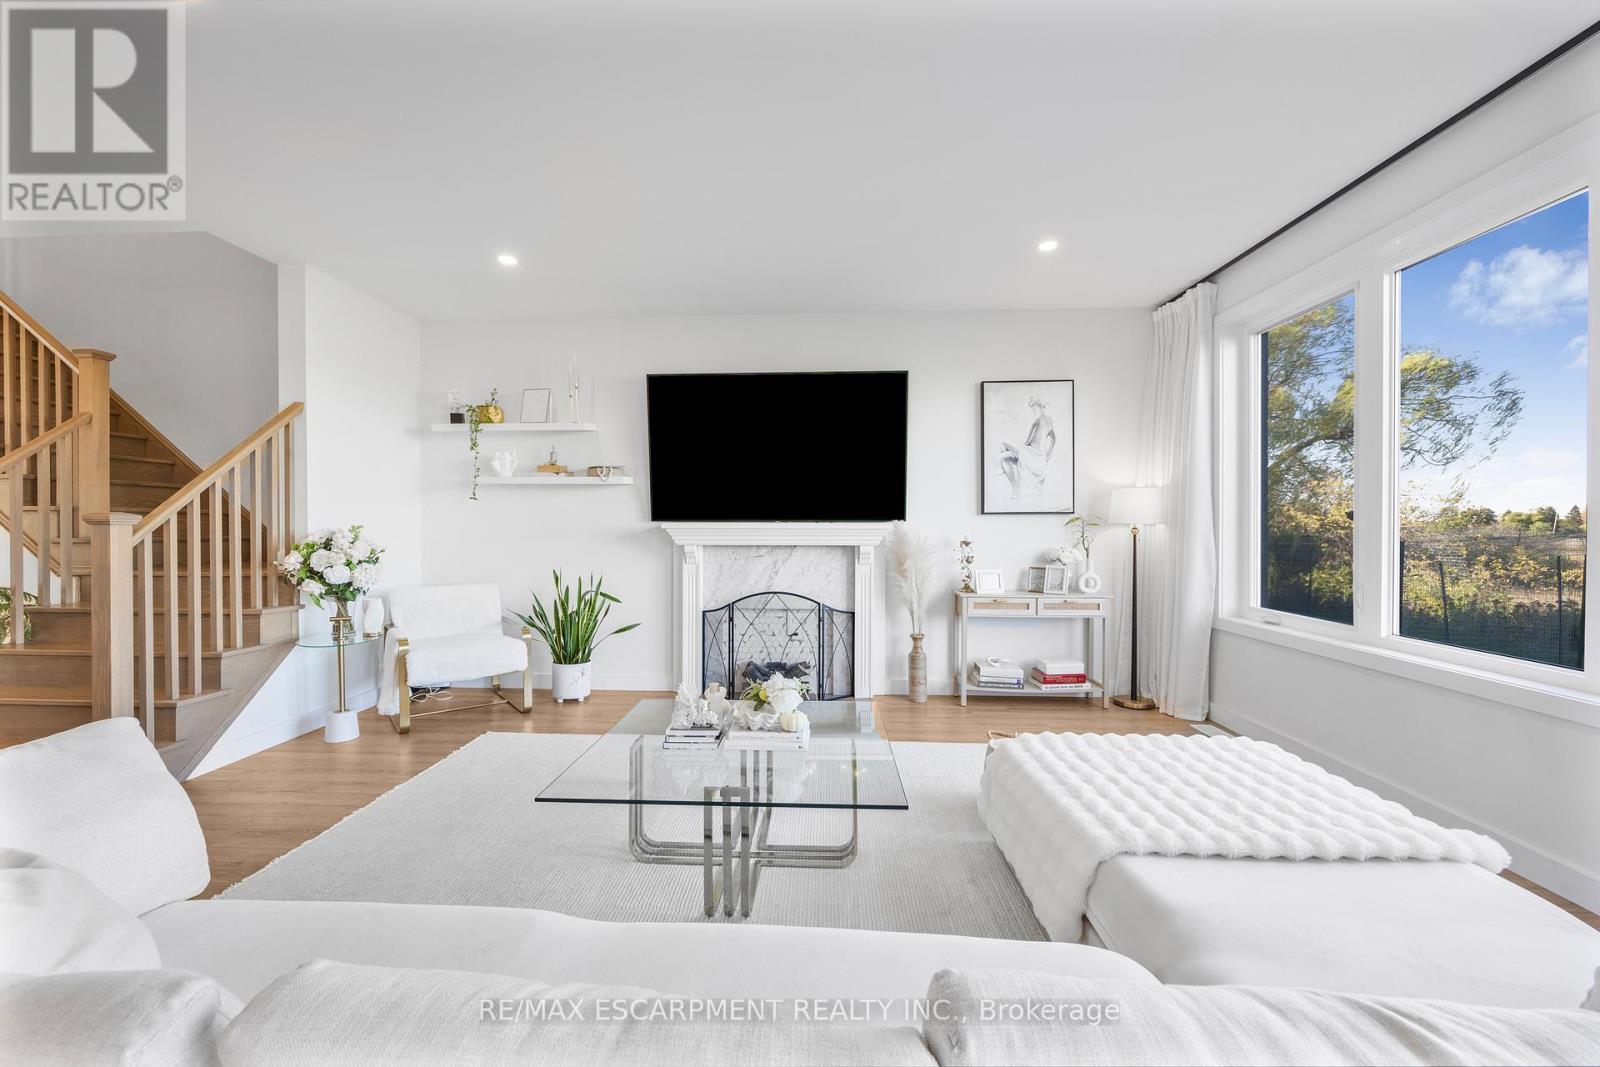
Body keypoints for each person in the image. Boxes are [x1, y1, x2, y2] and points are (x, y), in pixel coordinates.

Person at [1000, 395, 1055, 502]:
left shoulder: (1036, 421)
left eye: (1032, 407)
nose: (1032, 410)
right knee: (1009, 453)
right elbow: (1053, 439)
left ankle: (1014, 489)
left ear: (1035, 406)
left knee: (1004, 444)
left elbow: (1027, 442)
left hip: (1031, 454)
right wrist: (1047, 455)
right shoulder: (1050, 421)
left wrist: (1019, 447)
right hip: (1041, 458)